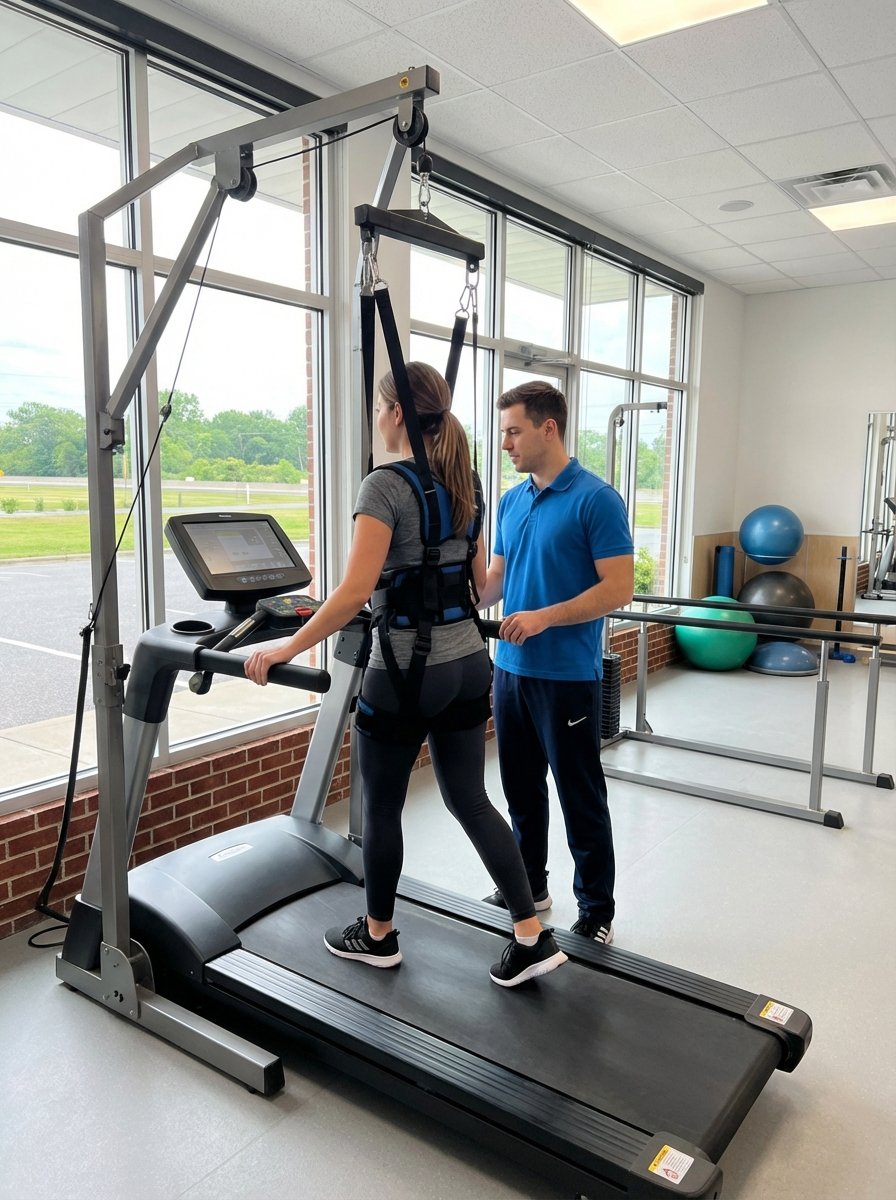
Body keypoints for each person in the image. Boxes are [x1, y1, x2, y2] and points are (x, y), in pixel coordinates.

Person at [244, 362, 566, 988]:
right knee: (470, 799)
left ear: (396, 414)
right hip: (468, 663)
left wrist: (288, 647)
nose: (377, 419)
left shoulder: (384, 487)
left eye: (378, 409)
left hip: (404, 669)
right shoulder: (466, 480)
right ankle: (531, 934)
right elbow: (478, 583)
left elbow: (352, 593)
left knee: (383, 805)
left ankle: (378, 936)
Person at [477, 380, 634, 944]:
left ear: (549, 428)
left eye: (513, 432)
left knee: (579, 795)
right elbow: (493, 584)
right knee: (520, 790)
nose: (506, 445)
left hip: (566, 676)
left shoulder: (596, 499)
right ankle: (531, 887)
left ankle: (596, 909)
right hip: (510, 671)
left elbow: (618, 588)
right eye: (503, 434)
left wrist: (545, 616)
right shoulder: (510, 501)